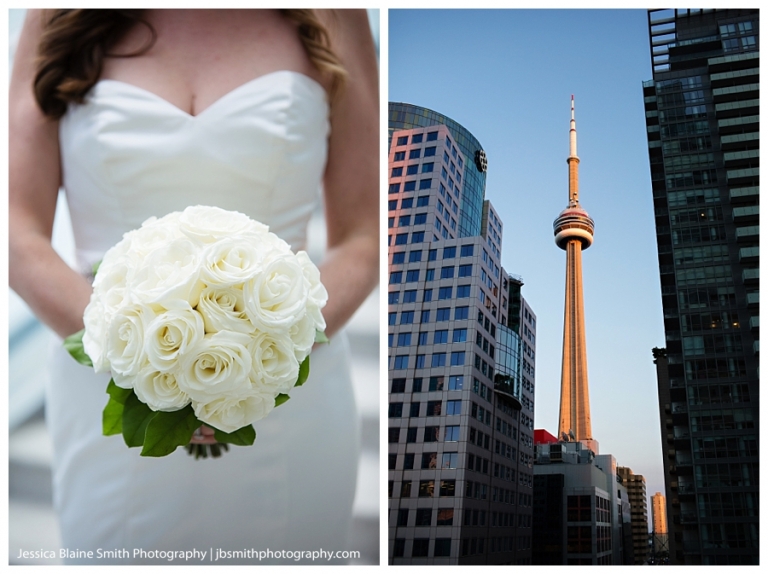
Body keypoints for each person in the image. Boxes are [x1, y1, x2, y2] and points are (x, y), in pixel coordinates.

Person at [9, 9, 378, 564]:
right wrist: (140, 358)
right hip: (109, 378)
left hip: (287, 386)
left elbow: (365, 236)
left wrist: (260, 357)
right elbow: (17, 232)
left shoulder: (337, 15)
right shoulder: (55, 14)